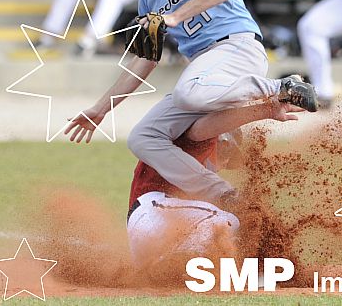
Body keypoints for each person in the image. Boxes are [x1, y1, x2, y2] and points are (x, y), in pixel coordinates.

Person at [65, 0, 318, 207]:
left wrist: (175, 16)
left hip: (236, 47)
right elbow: (145, 60)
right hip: (206, 69)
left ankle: (281, 87)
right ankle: (223, 195)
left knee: (189, 93)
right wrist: (101, 108)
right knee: (144, 138)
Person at [123, 99, 303, 270]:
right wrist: (266, 109)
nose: (225, 163)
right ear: (223, 142)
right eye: (227, 155)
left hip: (152, 233)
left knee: (229, 224)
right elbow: (202, 129)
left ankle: (168, 268)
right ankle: (178, 263)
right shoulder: (198, 141)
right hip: (153, 211)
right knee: (226, 221)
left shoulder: (195, 171)